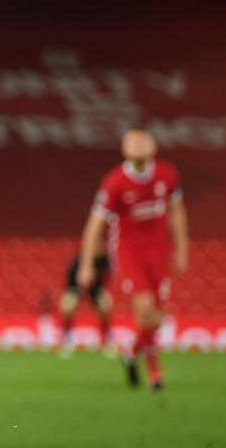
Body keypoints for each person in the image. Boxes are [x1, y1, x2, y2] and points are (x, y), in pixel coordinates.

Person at [77, 127, 188, 390]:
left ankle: (131, 352)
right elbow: (95, 224)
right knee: (146, 310)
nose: (138, 147)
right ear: (124, 149)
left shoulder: (167, 174)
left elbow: (177, 212)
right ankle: (155, 374)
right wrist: (86, 264)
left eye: (143, 142)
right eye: (133, 143)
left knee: (156, 319)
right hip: (129, 252)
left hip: (159, 251)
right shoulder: (114, 182)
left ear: (154, 147)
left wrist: (182, 250)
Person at [57, 247, 112, 357]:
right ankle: (66, 339)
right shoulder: (79, 261)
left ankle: (107, 340)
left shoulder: (104, 260)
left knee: (105, 305)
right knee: (68, 306)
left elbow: (105, 277)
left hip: (95, 288)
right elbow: (70, 280)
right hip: (75, 287)